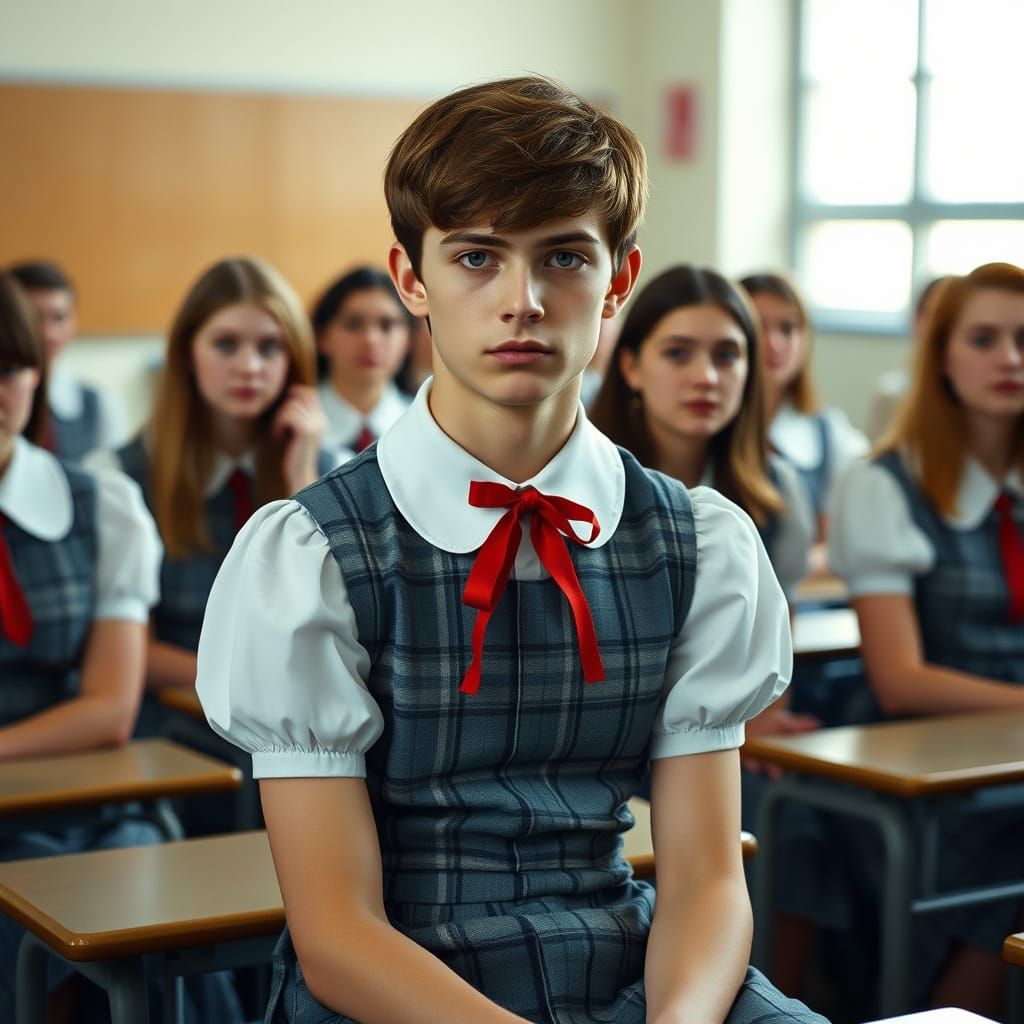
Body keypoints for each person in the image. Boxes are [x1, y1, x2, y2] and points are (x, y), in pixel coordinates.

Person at [197, 76, 827, 1024]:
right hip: (401, 988)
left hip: (639, 971)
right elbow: (336, 934)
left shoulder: (696, 541)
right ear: (412, 279)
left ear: (620, 279)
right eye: (476, 257)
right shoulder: (314, 553)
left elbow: (705, 882)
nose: (523, 301)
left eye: (565, 257)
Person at [829, 261, 1024, 1016]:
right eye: (984, 339)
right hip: (924, 764)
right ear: (942, 356)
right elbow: (900, 679)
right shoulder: (883, 483)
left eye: (1023, 340)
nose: (1010, 358)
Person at [0, 271, 162, 1018]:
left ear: (38, 373)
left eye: (10, 367)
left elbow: (108, 710)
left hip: (87, 797)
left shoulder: (100, 502)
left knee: (148, 883)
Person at [89, 256, 332, 718]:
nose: (249, 367)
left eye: (270, 347)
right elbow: (127, 654)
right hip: (172, 721)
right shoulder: (119, 477)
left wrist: (304, 483)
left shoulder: (324, 466)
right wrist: (246, 684)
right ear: (187, 354)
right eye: (226, 345)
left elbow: (334, 624)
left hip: (291, 721)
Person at [590, 265, 814, 605]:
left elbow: (779, 632)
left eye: (726, 356)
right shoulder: (582, 485)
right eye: (677, 353)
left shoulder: (777, 492)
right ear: (631, 366)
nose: (706, 377)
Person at [738, 273, 867, 546]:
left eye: (787, 328)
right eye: (757, 326)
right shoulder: (705, 424)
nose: (773, 343)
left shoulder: (830, 433)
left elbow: (843, 544)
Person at [9, 260, 127, 461]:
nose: (48, 333)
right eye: (32, 318)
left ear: (74, 322)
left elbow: (111, 475)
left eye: (58, 318)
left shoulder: (99, 405)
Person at [311, 266, 412, 456]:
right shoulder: (291, 428)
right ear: (322, 337)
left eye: (387, 325)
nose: (370, 340)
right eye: (353, 324)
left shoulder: (431, 428)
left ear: (407, 339)